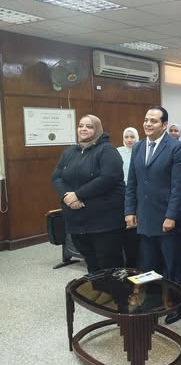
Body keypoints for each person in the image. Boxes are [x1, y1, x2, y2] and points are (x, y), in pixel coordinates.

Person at [125, 106, 181, 325]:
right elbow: (132, 182)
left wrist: (171, 215)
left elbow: (179, 187)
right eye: (146, 119)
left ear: (164, 125)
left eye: (153, 121)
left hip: (167, 219)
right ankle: (152, 302)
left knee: (172, 266)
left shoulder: (177, 148)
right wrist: (129, 210)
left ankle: (175, 305)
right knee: (147, 265)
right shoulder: (138, 147)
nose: (147, 124)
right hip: (144, 217)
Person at [52, 114, 125, 274]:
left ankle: (113, 291)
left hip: (104, 223)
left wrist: (78, 195)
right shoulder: (70, 152)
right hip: (77, 221)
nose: (83, 129)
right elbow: (56, 177)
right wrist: (67, 197)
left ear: (98, 129)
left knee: (109, 266)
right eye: (81, 126)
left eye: (89, 126)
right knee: (91, 264)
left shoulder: (107, 150)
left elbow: (108, 178)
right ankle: (97, 290)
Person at [117, 126, 140, 268]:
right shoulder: (117, 152)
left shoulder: (142, 151)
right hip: (122, 193)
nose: (129, 140)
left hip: (138, 192)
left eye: (132, 137)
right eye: (126, 137)